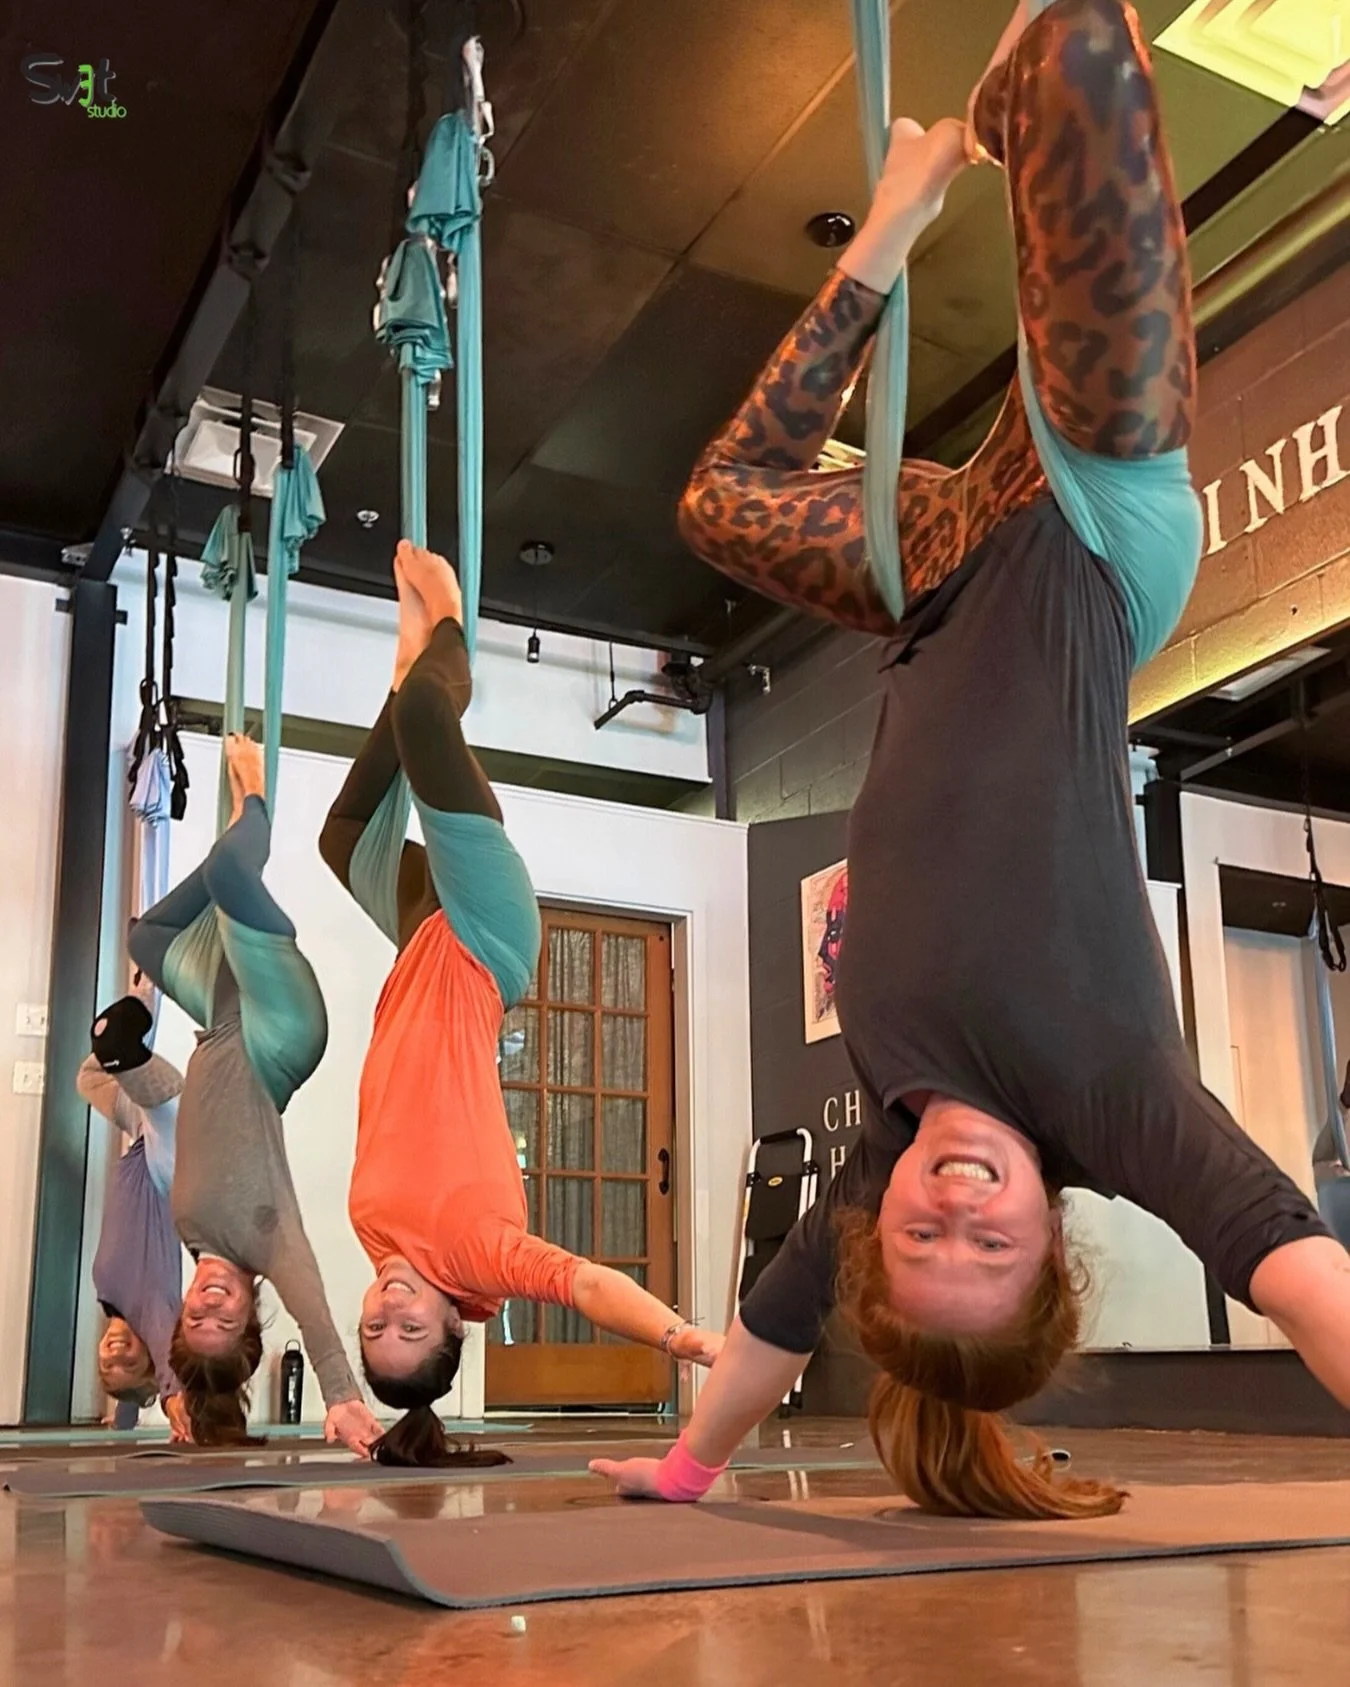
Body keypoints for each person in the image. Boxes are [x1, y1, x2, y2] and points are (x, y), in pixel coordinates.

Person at [592, 0, 1350, 1519]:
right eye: (989, 1247)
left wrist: (688, 1467)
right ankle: (1022, 93)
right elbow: (1300, 1272)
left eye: (919, 1244)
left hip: (928, 567)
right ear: (1051, 1241)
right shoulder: (1116, 1097)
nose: (949, 1210)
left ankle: (886, 227)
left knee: (719, 502)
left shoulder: (885, 1133)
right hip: (1085, 517)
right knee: (1075, 51)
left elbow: (767, 1325)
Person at [320, 540, 722, 1467]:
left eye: (374, 1324)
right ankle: (448, 625)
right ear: (455, 1326)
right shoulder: (480, 1258)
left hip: (423, 940)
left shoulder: (371, 1230)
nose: (388, 1306)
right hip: (486, 938)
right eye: (410, 1328)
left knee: (342, 838)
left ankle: (407, 661)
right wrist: (679, 1337)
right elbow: (582, 1283)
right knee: (430, 716)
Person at [128, 733, 382, 1455]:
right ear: (250, 1311)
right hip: (281, 1036)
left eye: (195, 1316)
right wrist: (342, 1395)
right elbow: (317, 1316)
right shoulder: (270, 1237)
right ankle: (256, 795)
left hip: (222, 1017)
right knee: (236, 873)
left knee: (150, 938)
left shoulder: (189, 1228)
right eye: (226, 1316)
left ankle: (228, 868)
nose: (210, 1300)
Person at [78, 992, 190, 1439]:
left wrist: (123, 1417)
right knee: (166, 1104)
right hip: (167, 1167)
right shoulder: (154, 1313)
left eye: (109, 1365)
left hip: (141, 1146)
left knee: (88, 1078)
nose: (115, 1353)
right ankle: (138, 1022)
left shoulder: (107, 1294)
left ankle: (146, 996)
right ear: (149, 1353)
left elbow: (130, 1386)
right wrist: (172, 1399)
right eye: (130, 1362)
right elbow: (169, 1363)